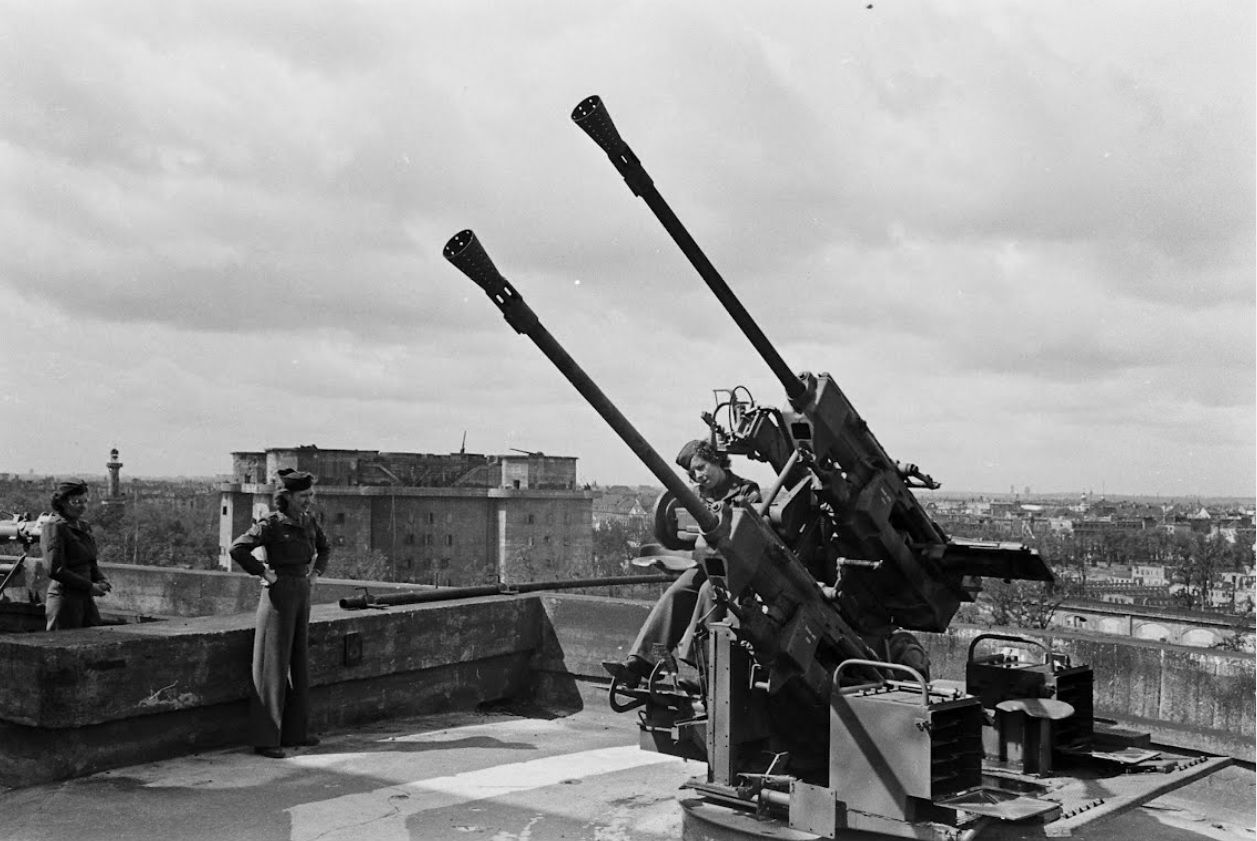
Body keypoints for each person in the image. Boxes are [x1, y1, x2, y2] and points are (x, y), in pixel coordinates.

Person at [609, 439, 759, 686]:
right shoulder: (697, 497)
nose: (699, 476)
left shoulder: (745, 491)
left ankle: (706, 674)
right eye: (693, 473)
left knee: (710, 592)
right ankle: (640, 662)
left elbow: (758, 532)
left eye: (702, 467)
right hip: (710, 564)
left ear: (715, 460)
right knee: (678, 591)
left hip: (743, 571)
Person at [229, 468, 331, 759]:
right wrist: (264, 573)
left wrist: (316, 574)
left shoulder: (309, 522)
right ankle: (266, 738)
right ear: (286, 497)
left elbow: (324, 548)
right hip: (278, 595)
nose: (308, 500)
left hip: (302, 592)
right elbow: (238, 549)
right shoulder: (271, 524)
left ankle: (295, 732)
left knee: (299, 661)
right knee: (271, 666)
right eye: (303, 496)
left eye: (310, 495)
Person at [41, 479, 112, 630]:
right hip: (65, 600)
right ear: (63, 503)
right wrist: (89, 586)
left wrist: (100, 578)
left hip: (85, 599)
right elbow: (55, 569)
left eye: (85, 501)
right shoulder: (55, 527)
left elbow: (90, 561)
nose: (83, 506)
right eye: (77, 501)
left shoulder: (84, 527)